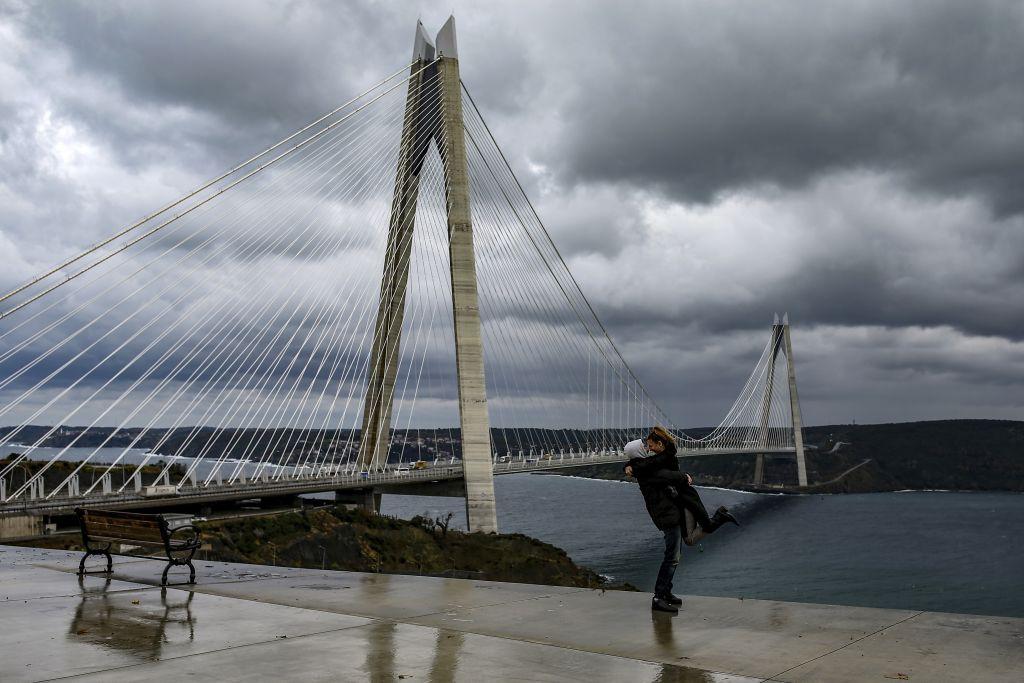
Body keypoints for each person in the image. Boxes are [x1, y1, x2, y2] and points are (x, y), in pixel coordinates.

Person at [624, 427, 738, 613]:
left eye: (649, 446)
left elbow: (661, 465)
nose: (648, 448)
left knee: (677, 553)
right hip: (667, 516)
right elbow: (666, 475)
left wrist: (628, 466)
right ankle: (659, 597)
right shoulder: (647, 471)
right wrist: (684, 476)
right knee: (672, 557)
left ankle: (666, 593)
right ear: (638, 453)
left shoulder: (646, 467)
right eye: (644, 447)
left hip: (671, 512)